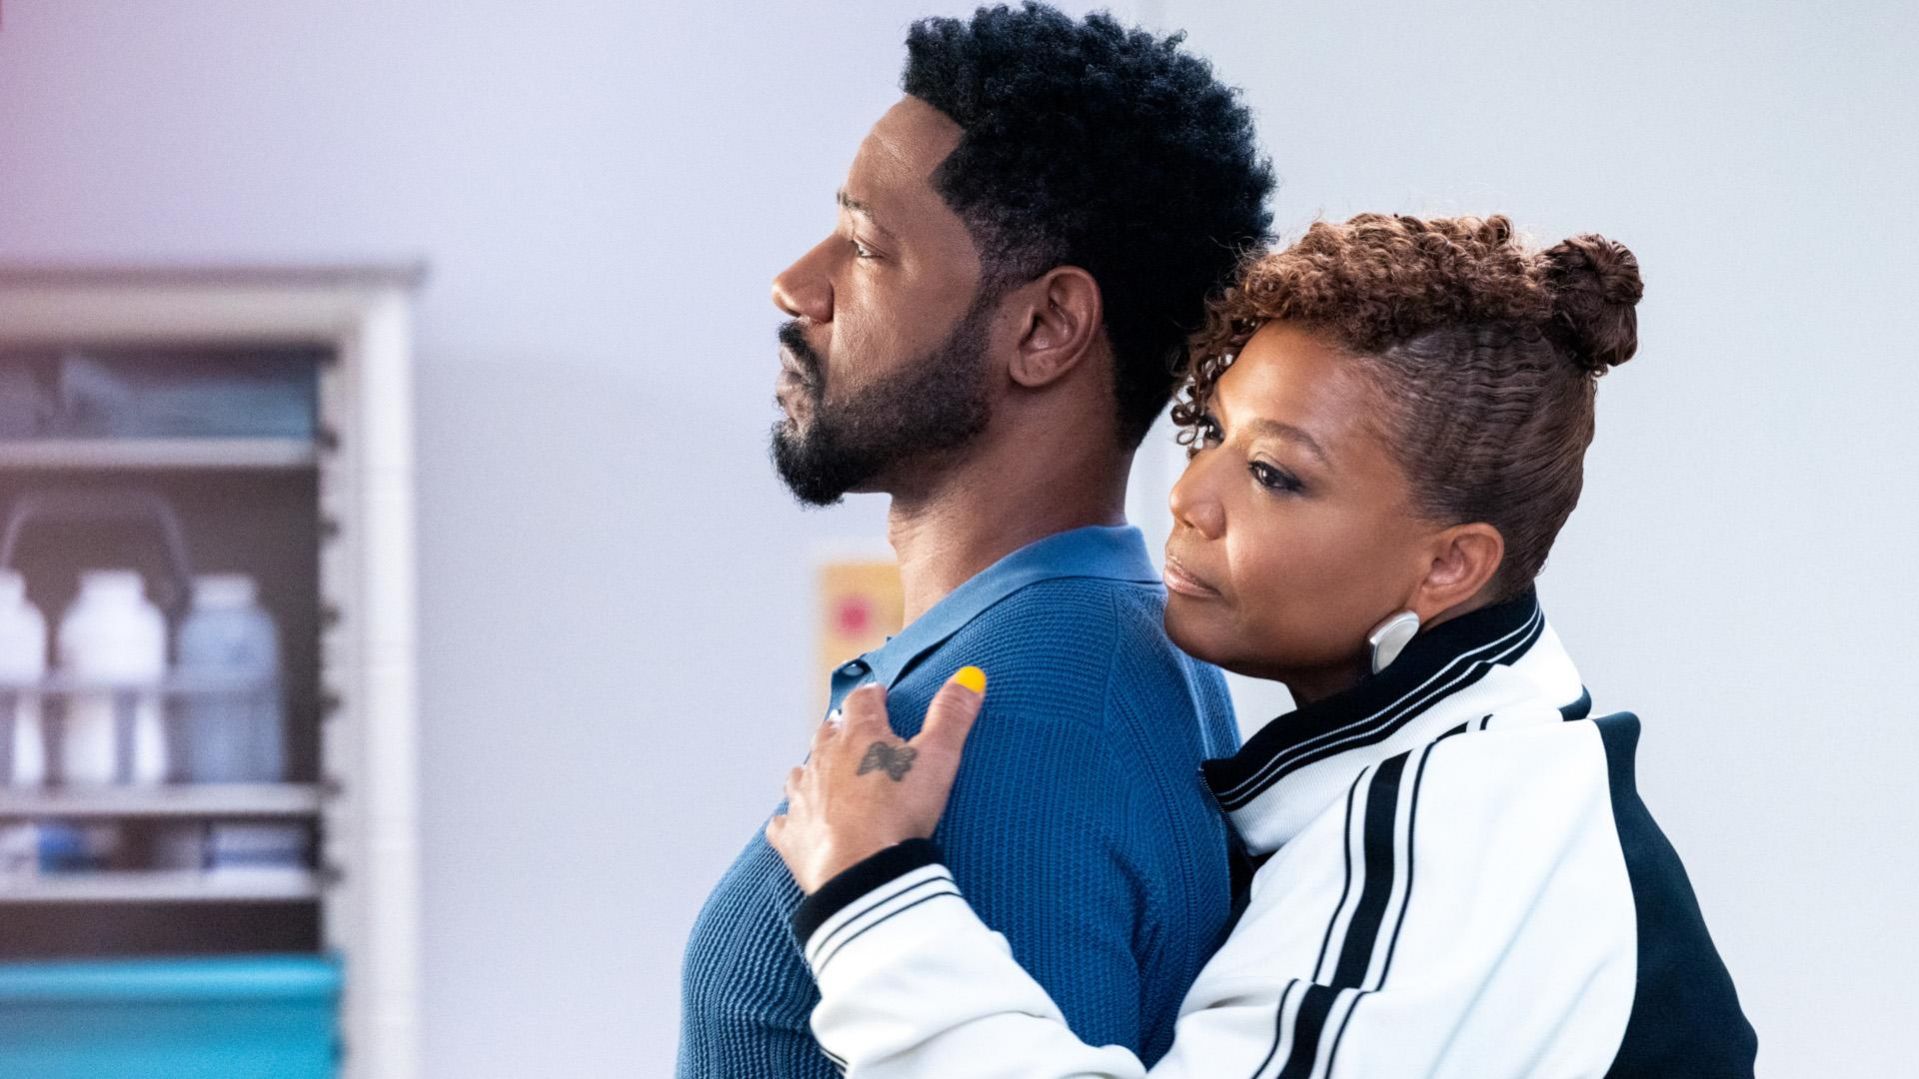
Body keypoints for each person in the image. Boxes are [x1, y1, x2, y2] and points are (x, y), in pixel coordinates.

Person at [768, 214, 1760, 1076]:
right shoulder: (1492, 745)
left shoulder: (1451, 832)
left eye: (1275, 475)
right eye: (1212, 433)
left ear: (1450, 565)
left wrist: (870, 886)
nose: (1187, 497)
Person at [675, 5, 1275, 1077]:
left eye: (866, 247)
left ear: (1043, 328)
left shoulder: (1019, 714)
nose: (797, 286)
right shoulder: (1090, 645)